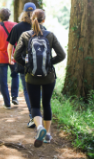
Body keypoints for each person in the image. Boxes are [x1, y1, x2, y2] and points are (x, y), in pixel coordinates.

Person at [14, 9, 66, 147]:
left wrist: (28, 66)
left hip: (31, 77)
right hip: (49, 77)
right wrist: (49, 63)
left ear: (32, 19)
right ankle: (48, 135)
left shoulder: (25, 35)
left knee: (35, 105)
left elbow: (16, 56)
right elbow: (62, 55)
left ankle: (40, 128)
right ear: (44, 20)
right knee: (47, 104)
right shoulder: (50, 35)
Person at [7, 2, 37, 128]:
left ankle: (32, 116)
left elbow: (9, 46)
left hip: (22, 63)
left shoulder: (17, 27)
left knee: (26, 90)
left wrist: (10, 59)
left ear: (23, 13)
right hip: (38, 63)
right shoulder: (41, 27)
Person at [0, 8, 18, 109]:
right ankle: (14, 97)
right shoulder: (15, 25)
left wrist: (0, 42)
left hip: (1, 57)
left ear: (0, 17)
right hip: (13, 55)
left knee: (3, 81)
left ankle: (7, 103)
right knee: (15, 76)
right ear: (9, 15)